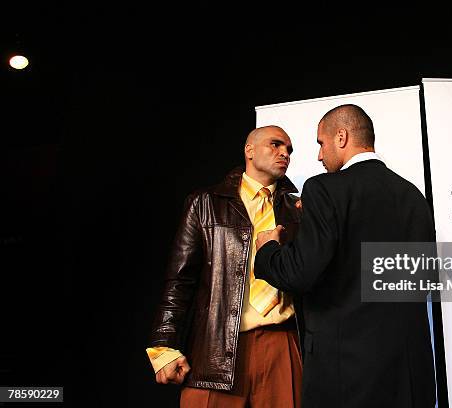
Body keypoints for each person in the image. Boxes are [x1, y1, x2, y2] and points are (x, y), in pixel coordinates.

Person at [255, 105, 436, 407]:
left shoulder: (324, 189)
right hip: (410, 379)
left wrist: (268, 249)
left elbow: (300, 273)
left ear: (341, 137)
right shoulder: (413, 195)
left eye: (320, 144)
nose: (319, 156)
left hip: (348, 380)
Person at [147, 125, 303, 408]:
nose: (285, 153)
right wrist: (164, 345)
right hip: (215, 348)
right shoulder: (204, 203)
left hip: (282, 343)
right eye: (276, 144)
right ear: (250, 150)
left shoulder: (300, 210)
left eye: (289, 150)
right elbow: (179, 281)